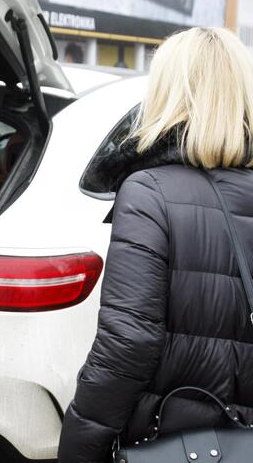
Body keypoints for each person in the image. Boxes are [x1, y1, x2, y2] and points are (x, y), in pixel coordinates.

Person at [58, 27, 253, 462]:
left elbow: (128, 341)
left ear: (167, 92)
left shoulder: (150, 191)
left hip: (175, 443)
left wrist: (79, 447)